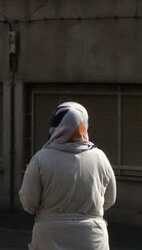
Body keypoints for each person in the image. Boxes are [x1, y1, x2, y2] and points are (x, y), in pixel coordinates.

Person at [19, 101, 118, 250]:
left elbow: (29, 203)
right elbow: (110, 199)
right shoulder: (100, 157)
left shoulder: (41, 158)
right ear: (84, 125)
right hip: (92, 236)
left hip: (49, 236)